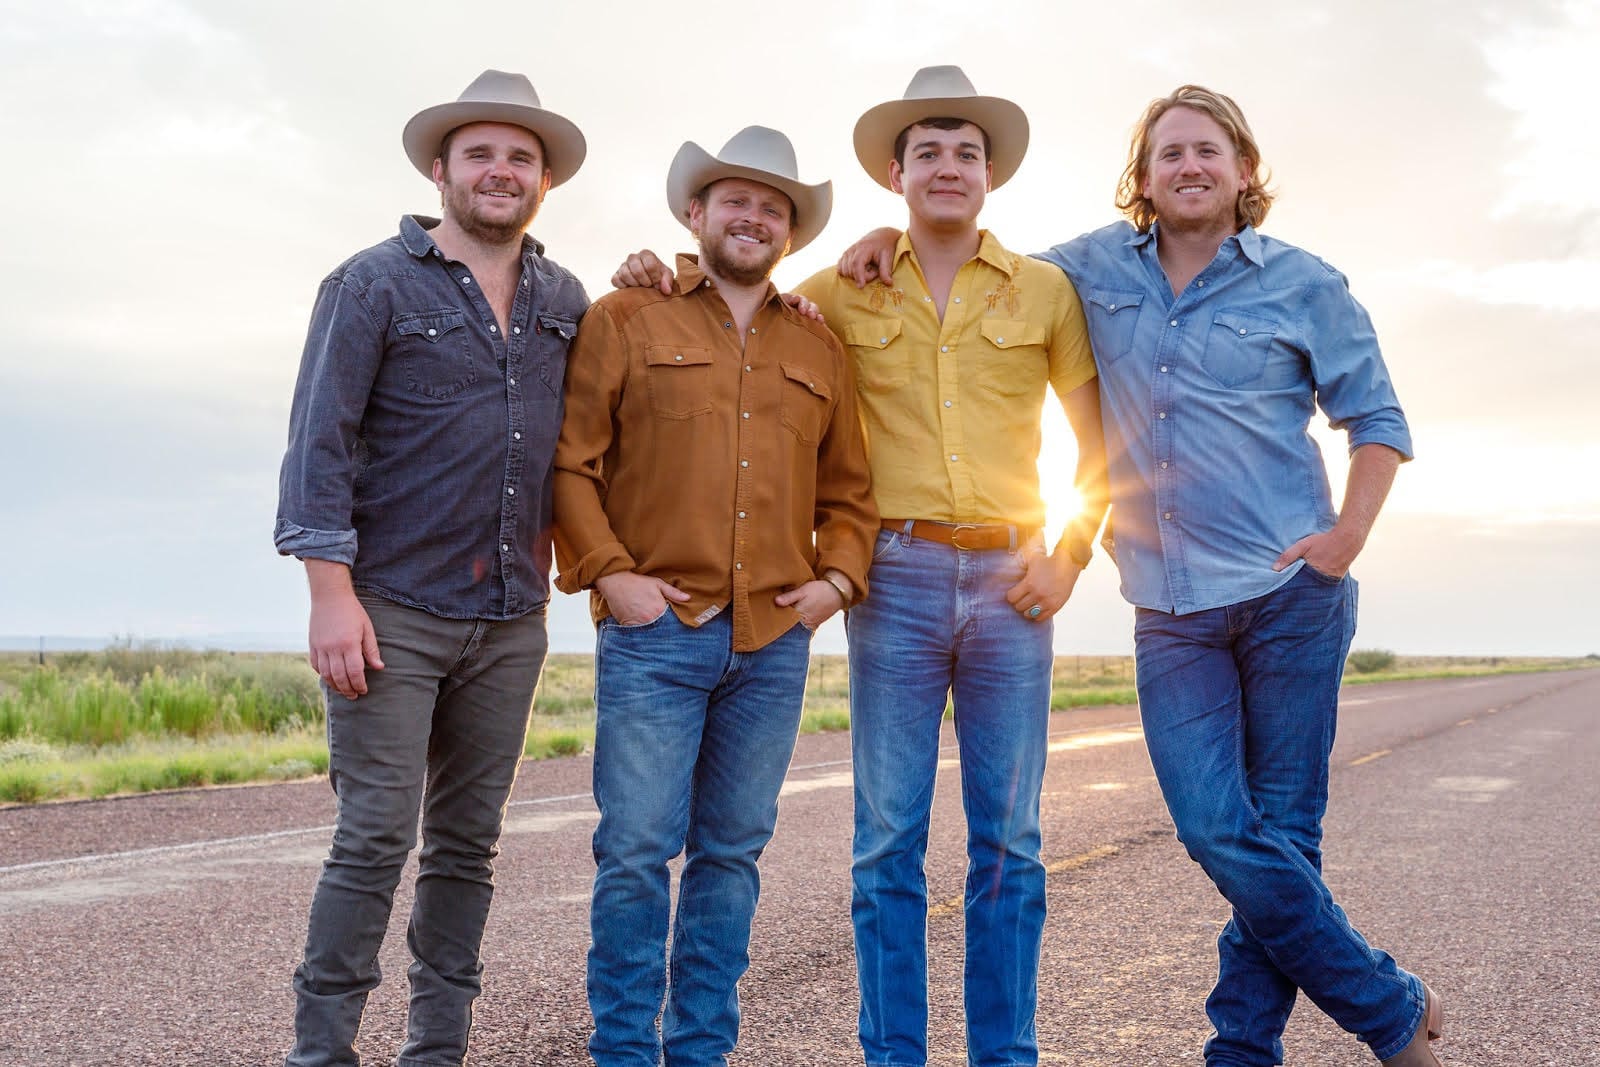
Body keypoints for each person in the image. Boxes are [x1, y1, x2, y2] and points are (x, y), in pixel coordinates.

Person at [840, 84, 1440, 1067]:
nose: (1188, 166)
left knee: (1281, 831)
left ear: (1244, 171)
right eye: (1168, 154)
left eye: (1207, 151)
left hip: (1291, 594)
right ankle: (1386, 1003)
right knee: (1214, 827)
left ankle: (1239, 1049)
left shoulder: (1305, 282)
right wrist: (883, 232)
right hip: (1168, 606)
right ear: (1145, 178)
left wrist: (1345, 537)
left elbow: (1376, 420)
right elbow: (966, 260)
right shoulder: (1079, 271)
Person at [612, 66, 1109, 1067]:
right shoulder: (836, 292)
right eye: (927, 151)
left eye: (966, 153)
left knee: (1009, 840)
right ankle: (895, 1054)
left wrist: (1069, 554)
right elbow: (733, 310)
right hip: (897, 577)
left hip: (1014, 584)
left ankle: (1003, 1053)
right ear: (896, 172)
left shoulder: (1046, 291)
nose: (948, 167)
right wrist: (657, 271)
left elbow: (1099, 440)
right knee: (887, 840)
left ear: (989, 174)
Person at [273, 70, 589, 1067]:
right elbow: (319, 440)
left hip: (508, 615)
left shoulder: (564, 299)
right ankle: (321, 1050)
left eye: (520, 158)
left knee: (467, 845)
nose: (501, 171)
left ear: (543, 180)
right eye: (481, 154)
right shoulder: (370, 283)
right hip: (390, 609)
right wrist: (330, 593)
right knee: (372, 835)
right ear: (442, 170)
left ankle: (435, 1049)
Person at [553, 125, 877, 1066]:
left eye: (773, 207)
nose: (754, 216)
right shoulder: (625, 315)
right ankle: (621, 1049)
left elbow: (851, 492)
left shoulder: (818, 346)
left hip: (774, 641)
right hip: (658, 634)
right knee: (635, 855)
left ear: (791, 233)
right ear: (696, 213)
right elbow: (573, 464)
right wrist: (613, 576)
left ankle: (701, 1050)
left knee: (732, 858)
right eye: (735, 199)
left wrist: (833, 587)